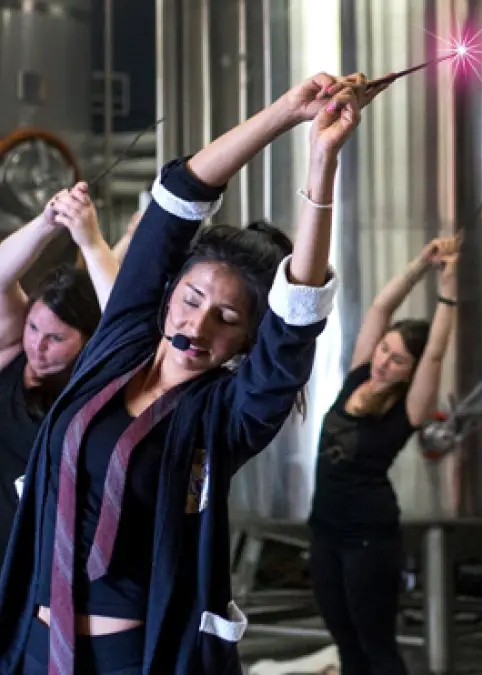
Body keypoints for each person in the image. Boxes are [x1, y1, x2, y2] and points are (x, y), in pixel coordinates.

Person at [0, 71, 371, 674]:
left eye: (227, 318)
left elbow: (296, 318)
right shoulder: (117, 345)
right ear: (168, 292)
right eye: (193, 299)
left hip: (132, 659)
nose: (197, 326)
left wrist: (321, 161)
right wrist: (285, 111)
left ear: (247, 339)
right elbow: (179, 196)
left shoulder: (227, 415)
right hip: (34, 648)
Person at [306, 235, 460, 675]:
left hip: (367, 539)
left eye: (398, 360)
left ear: (410, 373)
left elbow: (434, 353)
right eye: (385, 350)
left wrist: (447, 290)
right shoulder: (359, 375)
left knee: (377, 648)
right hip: (324, 532)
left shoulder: (407, 409)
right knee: (347, 646)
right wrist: (421, 264)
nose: (384, 361)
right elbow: (380, 308)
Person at [0, 184, 119, 559]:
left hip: (44, 561)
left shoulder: (93, 383)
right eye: (33, 328)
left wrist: (93, 244)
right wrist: (46, 223)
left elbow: (125, 325)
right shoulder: (11, 352)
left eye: (56, 338)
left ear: (87, 339)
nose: (37, 346)